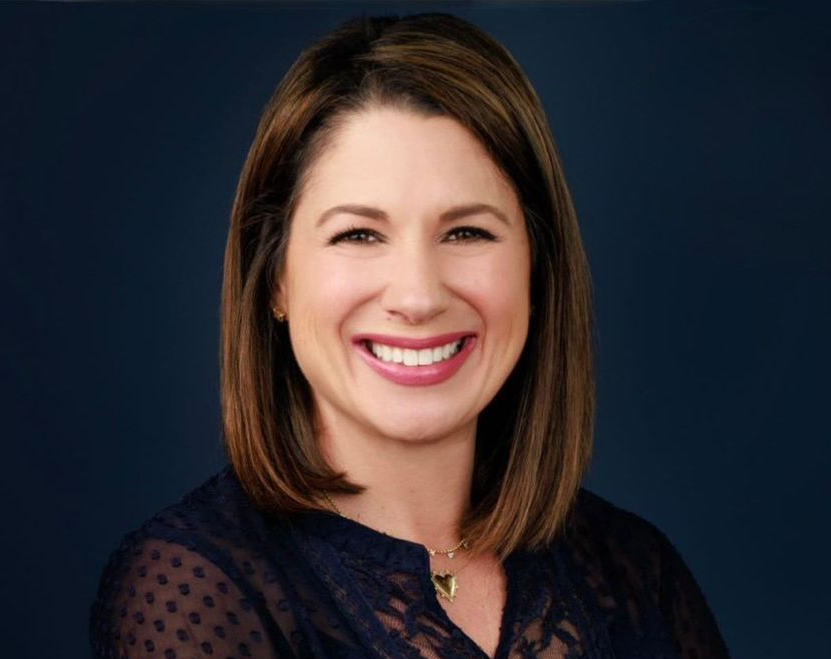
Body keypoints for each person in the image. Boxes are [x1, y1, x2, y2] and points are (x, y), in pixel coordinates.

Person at [89, 12, 730, 659]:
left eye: (467, 232)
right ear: (275, 277)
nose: (419, 296)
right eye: (359, 235)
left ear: (537, 265)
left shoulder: (637, 573)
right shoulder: (197, 591)